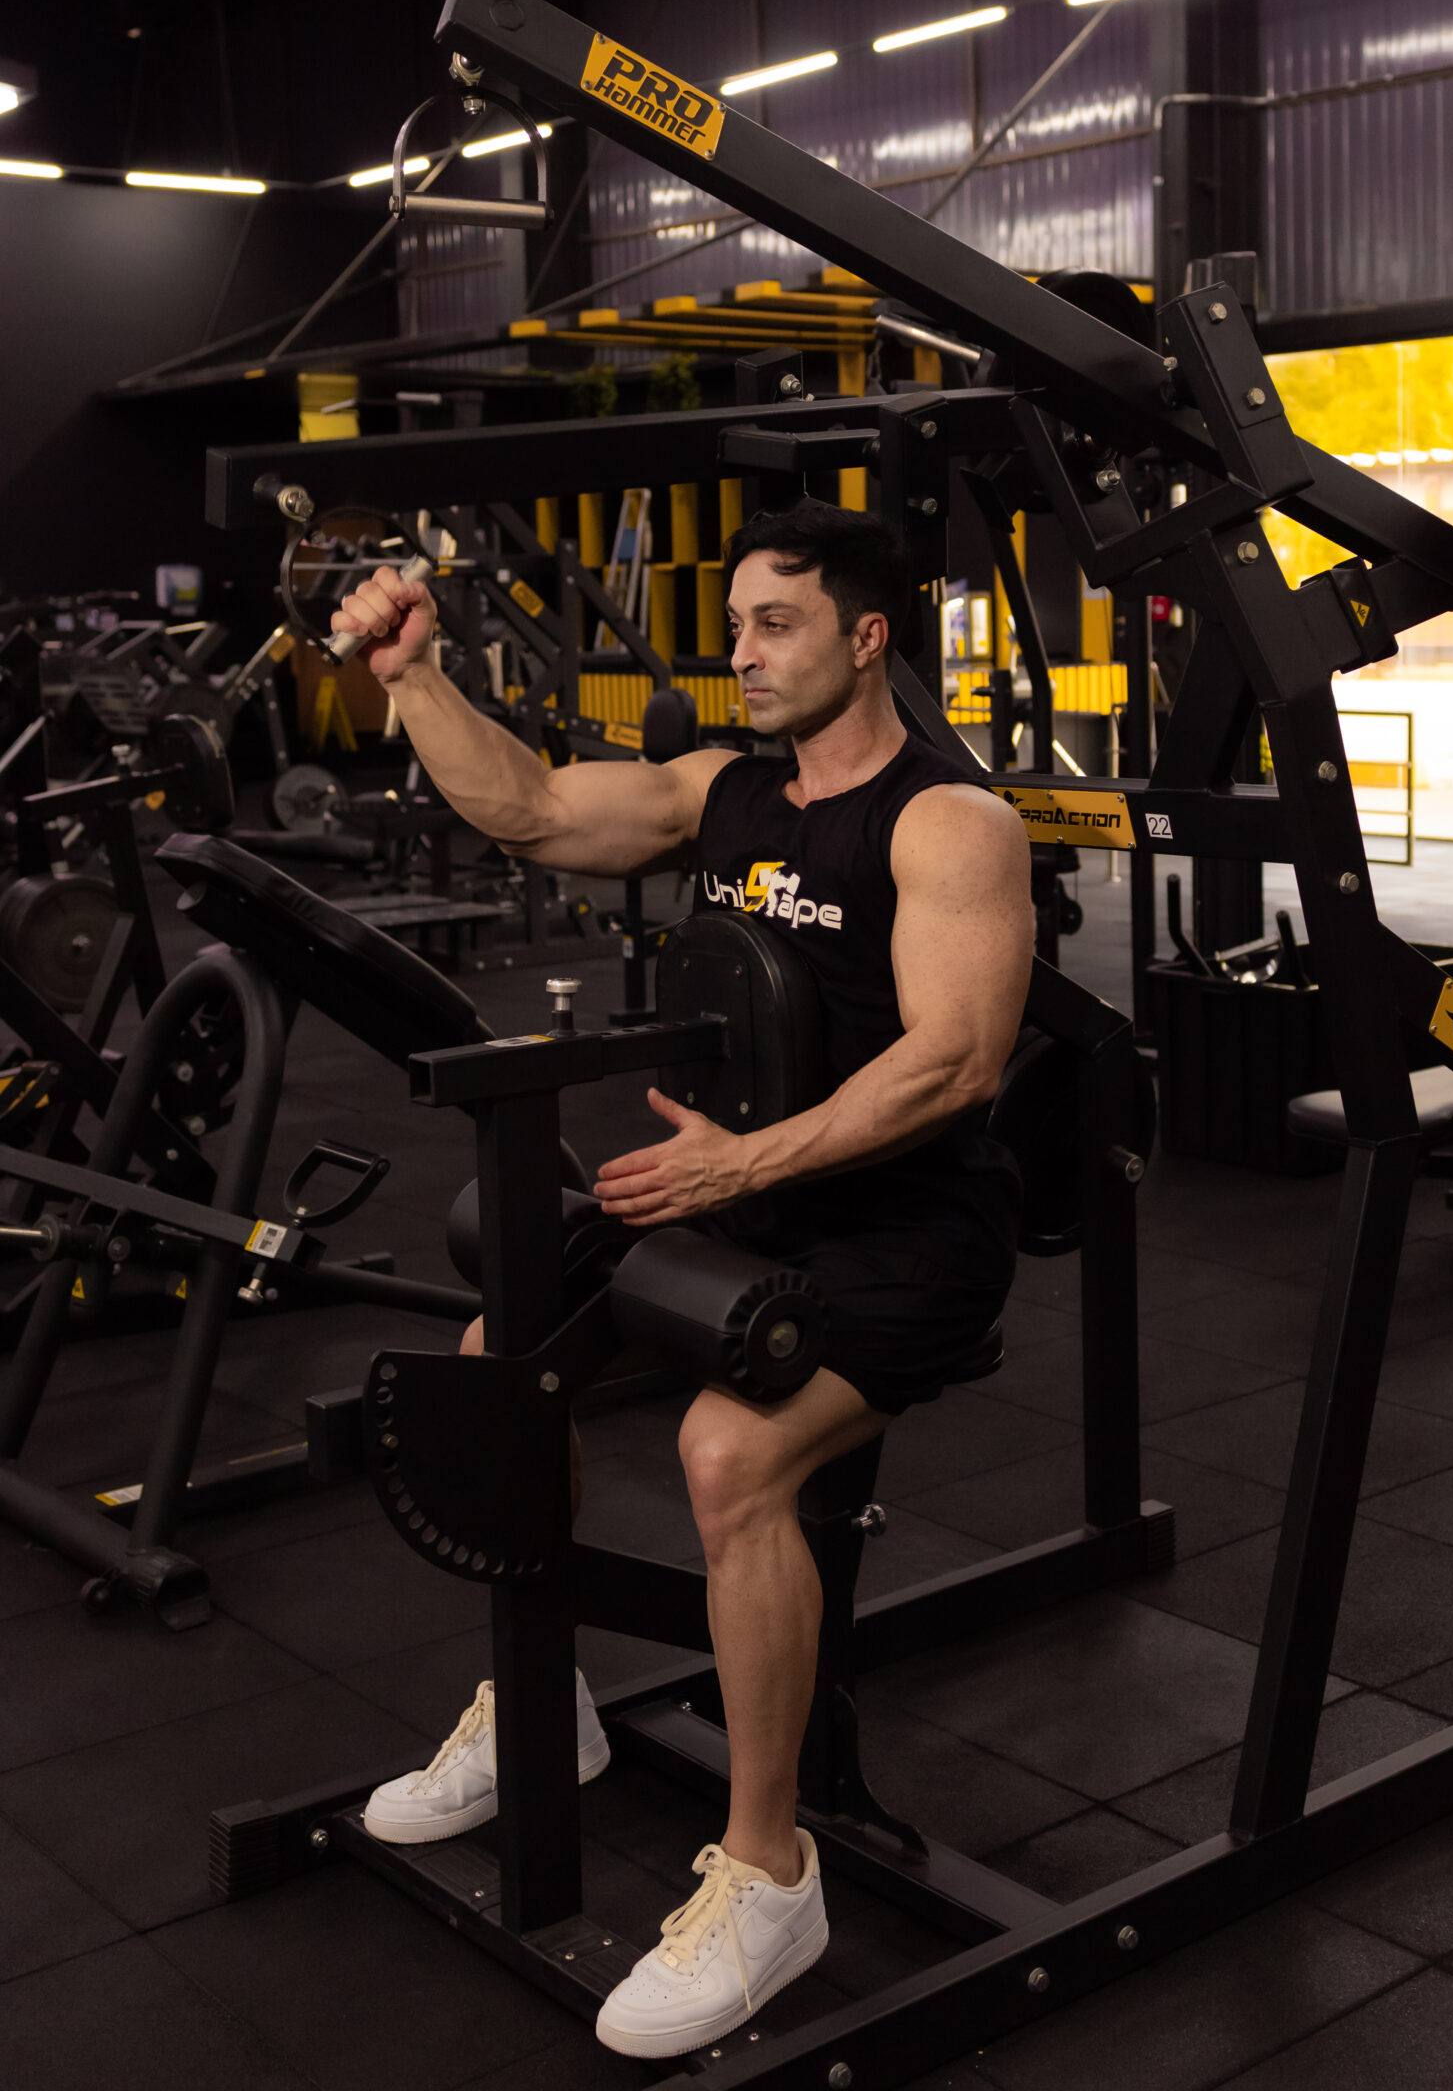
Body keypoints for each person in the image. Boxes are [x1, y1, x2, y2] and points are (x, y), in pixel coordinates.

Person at [332, 498, 1033, 2060]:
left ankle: (771, 1875)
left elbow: (958, 1061)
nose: (743, 654)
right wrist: (416, 676)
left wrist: (739, 1165)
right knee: (496, 1360)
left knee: (729, 1453)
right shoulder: (727, 792)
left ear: (868, 637)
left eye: (776, 624)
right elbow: (528, 810)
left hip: (908, 1230)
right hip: (747, 1200)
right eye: (734, 627)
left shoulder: (946, 822)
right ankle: (544, 1703)